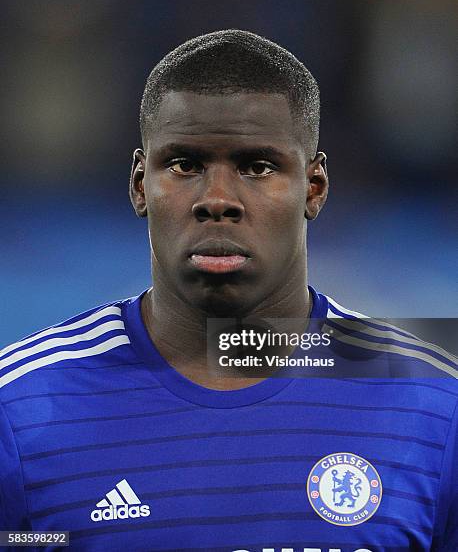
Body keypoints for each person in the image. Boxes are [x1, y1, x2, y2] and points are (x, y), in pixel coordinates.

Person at [0, 30, 456, 552]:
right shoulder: (18, 412)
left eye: (257, 166)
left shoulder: (436, 407)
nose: (217, 199)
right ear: (138, 185)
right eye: (184, 165)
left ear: (314, 188)